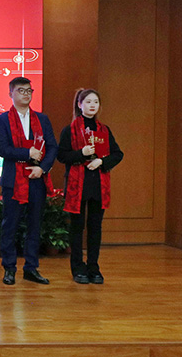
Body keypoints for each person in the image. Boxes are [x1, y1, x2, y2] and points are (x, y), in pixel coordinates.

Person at [0, 77, 57, 285]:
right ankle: (9, 268)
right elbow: (3, 149)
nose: (26, 94)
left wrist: (42, 168)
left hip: (37, 178)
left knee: (34, 225)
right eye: (21, 90)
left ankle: (31, 268)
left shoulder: (42, 119)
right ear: (11, 93)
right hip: (13, 180)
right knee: (10, 225)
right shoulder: (2, 120)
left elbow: (52, 147)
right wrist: (26, 153)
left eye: (29, 90)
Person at [57, 89, 123, 284]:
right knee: (77, 228)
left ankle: (94, 267)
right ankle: (78, 268)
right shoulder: (69, 130)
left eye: (96, 102)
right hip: (77, 185)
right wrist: (82, 153)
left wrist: (102, 162)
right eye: (88, 102)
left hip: (98, 184)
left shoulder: (104, 130)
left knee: (95, 227)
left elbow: (118, 154)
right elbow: (62, 156)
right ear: (80, 105)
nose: (92, 105)